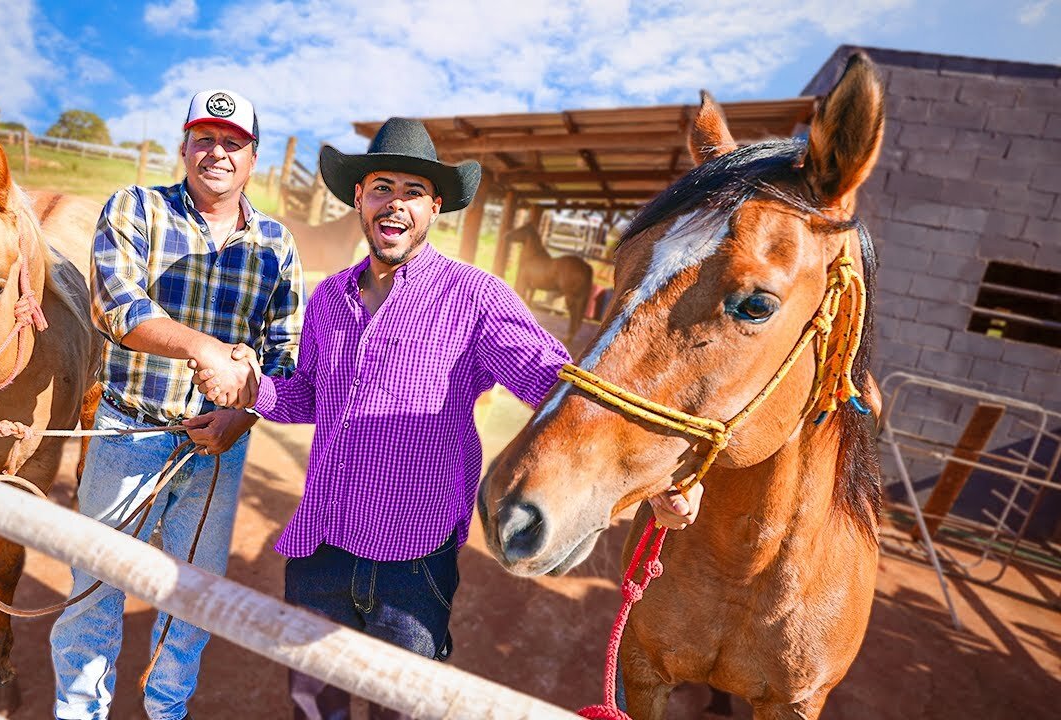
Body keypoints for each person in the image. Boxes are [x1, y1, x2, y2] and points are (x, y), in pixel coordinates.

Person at [193, 117, 699, 719]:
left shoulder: (476, 296)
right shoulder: (329, 298)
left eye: (413, 192)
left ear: (436, 207)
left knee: (400, 708)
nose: (394, 204)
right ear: (358, 197)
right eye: (381, 187)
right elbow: (309, 395)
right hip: (320, 543)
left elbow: (566, 399)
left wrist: (662, 480)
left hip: (413, 557)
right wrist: (254, 389)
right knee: (312, 703)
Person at [50, 88, 303, 720]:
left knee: (192, 595)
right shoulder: (136, 209)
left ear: (253, 156)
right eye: (205, 138)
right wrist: (206, 352)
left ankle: (167, 710)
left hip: (219, 446)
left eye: (233, 142)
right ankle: (79, 712)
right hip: (130, 430)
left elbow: (284, 348)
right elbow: (114, 303)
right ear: (185, 145)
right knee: (95, 588)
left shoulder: (277, 244)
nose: (217, 152)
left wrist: (242, 415)